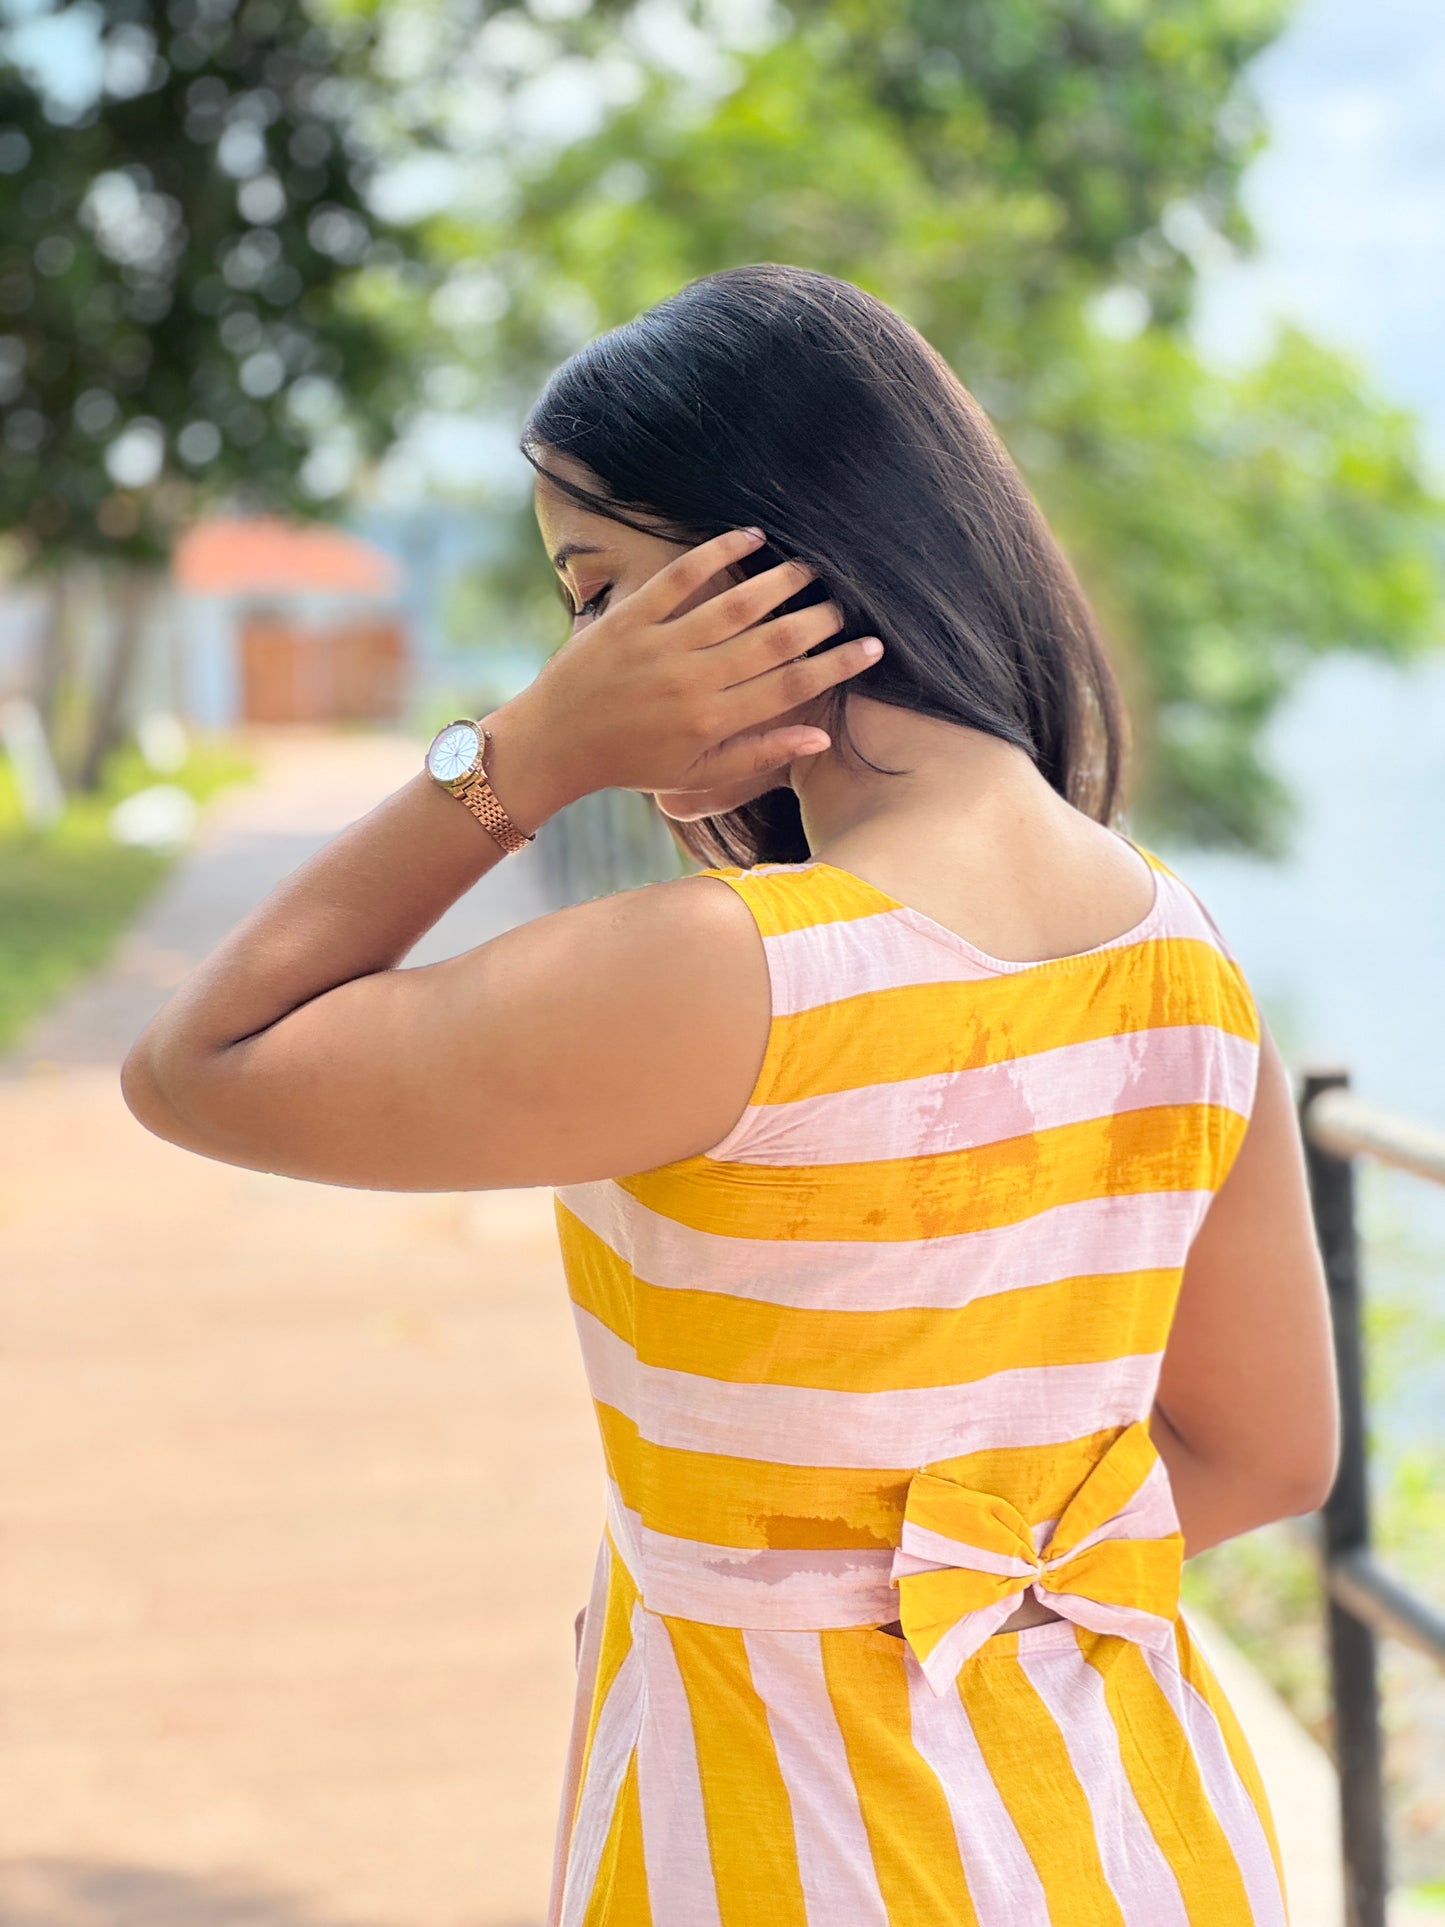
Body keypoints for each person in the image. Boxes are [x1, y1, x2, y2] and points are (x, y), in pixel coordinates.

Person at [122, 263, 1338, 1926]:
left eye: (597, 590)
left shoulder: (727, 971)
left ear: (756, 573)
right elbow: (1270, 1455)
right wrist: (950, 1578)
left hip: (788, 1834)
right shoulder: (1183, 955)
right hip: (1131, 1824)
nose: (579, 651)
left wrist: (524, 755)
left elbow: (199, 1064)